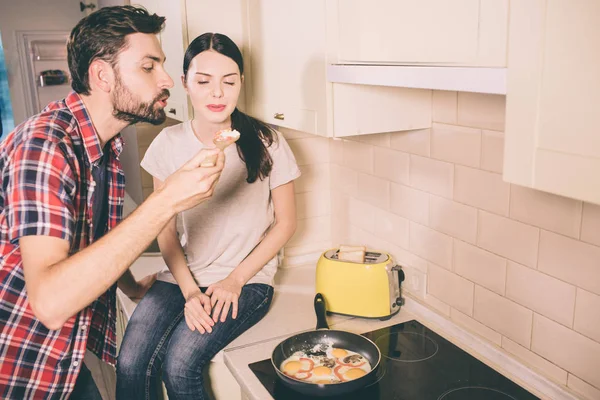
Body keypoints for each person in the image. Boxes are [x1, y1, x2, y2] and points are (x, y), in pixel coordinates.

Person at [0, 6, 225, 399]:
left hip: (61, 364)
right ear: (102, 76)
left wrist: (133, 286)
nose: (168, 79)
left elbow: (92, 233)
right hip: (18, 364)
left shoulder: (106, 148)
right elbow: (50, 303)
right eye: (148, 66)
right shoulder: (44, 146)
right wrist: (167, 199)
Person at [115, 32, 300, 399]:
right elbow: (164, 231)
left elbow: (286, 223)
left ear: (241, 83)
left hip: (246, 281)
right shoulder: (167, 145)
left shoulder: (267, 142)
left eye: (229, 82)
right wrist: (188, 292)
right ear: (185, 83)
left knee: (180, 365)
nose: (218, 93)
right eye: (204, 82)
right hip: (181, 277)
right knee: (130, 363)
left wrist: (234, 280)